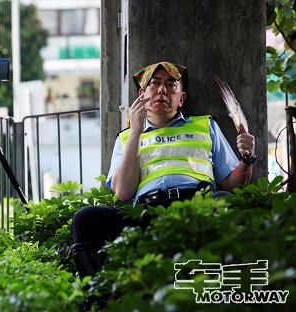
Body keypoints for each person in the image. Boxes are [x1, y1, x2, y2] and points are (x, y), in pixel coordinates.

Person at [70, 61, 256, 278]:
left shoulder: (206, 126)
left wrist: (247, 159)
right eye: (155, 83)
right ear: (142, 95)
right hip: (147, 214)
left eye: (170, 85)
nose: (161, 90)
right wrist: (136, 131)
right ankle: (97, 298)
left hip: (198, 206)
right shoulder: (125, 138)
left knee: (225, 200)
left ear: (182, 98)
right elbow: (122, 193)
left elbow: (233, 185)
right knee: (85, 218)